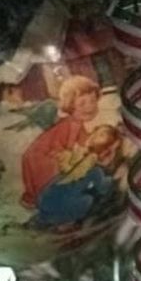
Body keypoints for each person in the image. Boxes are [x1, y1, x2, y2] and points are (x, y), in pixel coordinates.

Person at [21, 75, 100, 208]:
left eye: (93, 101)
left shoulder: (76, 123)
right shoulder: (68, 125)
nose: (90, 107)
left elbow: (83, 140)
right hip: (39, 158)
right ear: (70, 106)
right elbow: (60, 148)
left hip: (51, 156)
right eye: (82, 103)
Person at [34, 124, 122, 228]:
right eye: (97, 131)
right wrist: (113, 179)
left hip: (46, 197)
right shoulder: (95, 170)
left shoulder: (79, 154)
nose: (95, 134)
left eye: (102, 135)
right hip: (58, 200)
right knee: (88, 200)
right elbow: (102, 188)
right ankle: (58, 221)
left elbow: (67, 168)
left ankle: (43, 219)